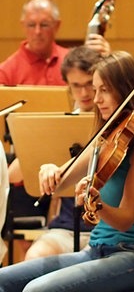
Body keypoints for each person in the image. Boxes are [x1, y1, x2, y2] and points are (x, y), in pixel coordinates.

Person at [0, 50, 134, 291]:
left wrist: (96, 203)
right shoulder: (107, 136)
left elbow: (125, 220)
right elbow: (61, 182)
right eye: (96, 90)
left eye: (105, 90)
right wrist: (49, 170)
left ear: (126, 89)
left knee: (38, 289)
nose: (96, 99)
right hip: (98, 250)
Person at [23, 46, 102, 260]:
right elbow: (16, 173)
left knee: (85, 265)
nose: (85, 94)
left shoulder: (113, 126)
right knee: (34, 256)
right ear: (67, 86)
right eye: (76, 86)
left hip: (104, 227)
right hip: (65, 228)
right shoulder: (61, 124)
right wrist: (46, 165)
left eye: (89, 85)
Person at [0, 0, 109, 86]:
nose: (37, 31)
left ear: (57, 25)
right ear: (23, 26)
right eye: (31, 25)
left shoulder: (72, 62)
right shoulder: (6, 72)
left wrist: (107, 63)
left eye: (44, 25)